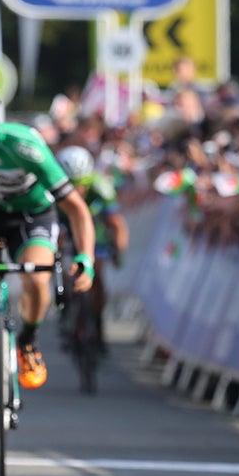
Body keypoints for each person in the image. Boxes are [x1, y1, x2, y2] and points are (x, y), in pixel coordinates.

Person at [0, 73, 96, 462]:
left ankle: (26, 338)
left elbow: (75, 207)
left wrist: (85, 258)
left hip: (32, 216)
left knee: (38, 274)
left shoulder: (23, 145)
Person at [55, 144, 131, 352]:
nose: (78, 191)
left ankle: (97, 322)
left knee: (96, 274)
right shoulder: (52, 186)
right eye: (72, 186)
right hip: (65, 229)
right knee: (64, 265)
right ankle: (67, 312)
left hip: (95, 231)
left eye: (82, 185)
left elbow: (116, 223)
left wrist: (118, 250)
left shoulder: (101, 187)